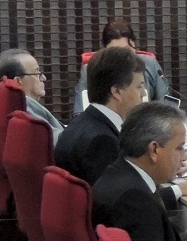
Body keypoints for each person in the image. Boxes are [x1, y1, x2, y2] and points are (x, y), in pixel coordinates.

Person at [92, 101, 187, 241]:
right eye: (179, 148)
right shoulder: (135, 201)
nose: (184, 157)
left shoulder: (120, 173)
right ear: (154, 150)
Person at [55, 46, 146, 186]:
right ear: (117, 91)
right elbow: (119, 196)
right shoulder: (102, 141)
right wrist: (176, 189)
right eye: (139, 86)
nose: (144, 94)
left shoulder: (81, 123)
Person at [72, 17, 169, 116]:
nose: (121, 58)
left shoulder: (150, 64)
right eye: (114, 52)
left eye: (125, 51)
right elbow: (79, 113)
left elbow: (166, 107)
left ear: (133, 45)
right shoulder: (91, 69)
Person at [0, 48, 64, 140]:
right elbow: (57, 141)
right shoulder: (24, 108)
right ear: (18, 81)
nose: (43, 78)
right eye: (37, 73)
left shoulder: (12, 103)